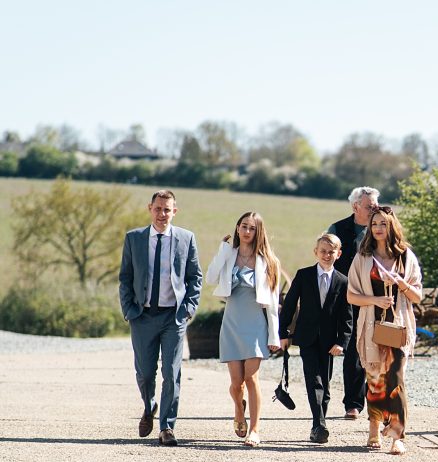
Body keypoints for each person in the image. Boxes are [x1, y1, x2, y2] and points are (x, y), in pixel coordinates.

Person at [118, 189, 203, 447]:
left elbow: (194, 278)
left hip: (172, 317)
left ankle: (167, 426)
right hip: (142, 316)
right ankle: (149, 405)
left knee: (171, 372)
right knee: (145, 373)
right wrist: (129, 310)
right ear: (150, 208)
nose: (162, 214)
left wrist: (188, 309)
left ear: (174, 211)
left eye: (167, 210)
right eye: (158, 209)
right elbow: (125, 277)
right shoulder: (134, 239)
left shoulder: (186, 239)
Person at [347, 206, 422, 455]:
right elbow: (351, 296)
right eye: (375, 223)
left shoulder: (406, 257)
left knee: (396, 379)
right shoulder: (362, 257)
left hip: (398, 326)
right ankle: (374, 427)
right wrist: (374, 300)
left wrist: (401, 283)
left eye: (383, 224)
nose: (379, 228)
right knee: (375, 378)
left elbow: (418, 296)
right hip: (371, 326)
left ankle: (397, 436)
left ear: (392, 227)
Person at [205, 211, 283, 447]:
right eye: (244, 226)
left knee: (251, 378)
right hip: (232, 323)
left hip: (256, 325)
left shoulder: (269, 261)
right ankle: (239, 410)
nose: (247, 231)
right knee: (236, 383)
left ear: (259, 232)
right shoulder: (229, 255)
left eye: (252, 228)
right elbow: (210, 278)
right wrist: (222, 251)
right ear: (237, 228)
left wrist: (274, 335)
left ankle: (255, 429)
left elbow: (272, 301)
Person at [278, 233, 353, 444]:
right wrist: (283, 334)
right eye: (323, 251)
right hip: (307, 337)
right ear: (316, 252)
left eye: (331, 252)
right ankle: (320, 425)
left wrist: (342, 342)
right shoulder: (303, 275)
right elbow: (290, 307)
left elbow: (348, 317)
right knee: (314, 381)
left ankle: (317, 425)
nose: (327, 255)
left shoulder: (343, 281)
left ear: (338, 254)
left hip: (330, 342)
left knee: (326, 386)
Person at [327, 186, 380, 420]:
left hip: (375, 297)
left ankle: (379, 405)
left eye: (376, 206)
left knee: (377, 351)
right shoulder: (338, 229)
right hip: (346, 297)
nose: (374, 210)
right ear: (355, 206)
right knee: (353, 352)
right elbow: (327, 261)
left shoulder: (380, 229)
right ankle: (354, 403)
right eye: (370, 206)